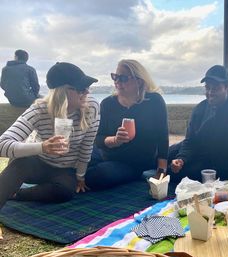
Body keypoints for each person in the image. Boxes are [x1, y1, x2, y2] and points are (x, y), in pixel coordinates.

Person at [0, 62, 100, 210]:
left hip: (64, 168)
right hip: (37, 163)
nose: (87, 92)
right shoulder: (39, 109)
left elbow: (87, 146)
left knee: (65, 191)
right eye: (81, 88)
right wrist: (42, 147)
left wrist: (80, 176)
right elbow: (2, 145)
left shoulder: (92, 107)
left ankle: (17, 194)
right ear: (62, 91)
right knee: (20, 163)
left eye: (87, 87)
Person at [85, 59, 168, 190]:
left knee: (99, 175)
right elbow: (98, 139)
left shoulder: (154, 101)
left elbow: (162, 136)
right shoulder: (107, 104)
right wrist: (115, 140)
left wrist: (162, 169)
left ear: (139, 81)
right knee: (79, 155)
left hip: (134, 163)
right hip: (107, 155)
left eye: (123, 78)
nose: (117, 81)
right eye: (115, 77)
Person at [168, 65, 228, 186]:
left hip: (221, 161)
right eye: (208, 88)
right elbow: (190, 141)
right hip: (199, 152)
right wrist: (181, 159)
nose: (210, 93)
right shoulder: (200, 108)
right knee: (170, 158)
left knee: (178, 175)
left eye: (216, 88)